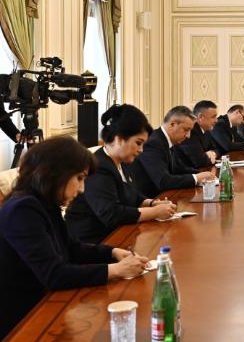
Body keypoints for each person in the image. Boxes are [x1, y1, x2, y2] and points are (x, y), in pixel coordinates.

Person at [0, 136, 148, 339]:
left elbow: (71, 247)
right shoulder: (23, 209)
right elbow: (54, 275)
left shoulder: (44, 202)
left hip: (45, 304)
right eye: (79, 178)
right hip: (22, 319)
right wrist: (116, 270)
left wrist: (113, 253)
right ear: (56, 173)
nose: (82, 189)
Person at [65, 104, 177, 243]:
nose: (141, 150)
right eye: (138, 143)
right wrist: (155, 212)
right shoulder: (98, 167)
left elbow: (133, 195)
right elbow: (111, 214)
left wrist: (152, 203)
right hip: (94, 242)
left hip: (118, 234)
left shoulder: (124, 162)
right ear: (119, 139)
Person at [129, 106, 215, 199]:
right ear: (172, 124)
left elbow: (178, 168)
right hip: (151, 199)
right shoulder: (154, 143)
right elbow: (163, 181)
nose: (188, 136)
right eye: (186, 130)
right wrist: (196, 178)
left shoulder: (169, 139)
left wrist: (204, 174)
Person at [176, 100, 219, 168]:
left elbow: (217, 149)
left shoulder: (207, 130)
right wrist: (207, 156)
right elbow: (200, 161)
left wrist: (212, 153)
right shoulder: (190, 131)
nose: (216, 120)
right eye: (213, 117)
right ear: (201, 117)